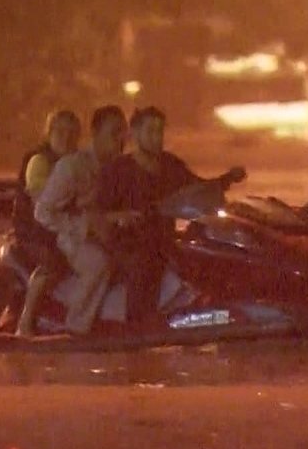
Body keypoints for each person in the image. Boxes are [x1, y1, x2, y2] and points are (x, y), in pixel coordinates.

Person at [95, 106, 245, 327]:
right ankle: (137, 325)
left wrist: (227, 180)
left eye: (160, 131)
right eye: (151, 131)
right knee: (143, 264)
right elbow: (98, 212)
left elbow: (198, 189)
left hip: (164, 239)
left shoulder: (170, 165)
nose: (157, 138)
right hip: (129, 244)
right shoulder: (118, 170)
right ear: (135, 134)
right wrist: (120, 216)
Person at [22, 105, 129, 336]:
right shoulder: (70, 166)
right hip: (68, 236)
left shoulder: (120, 167)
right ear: (96, 134)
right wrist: (83, 225)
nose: (121, 140)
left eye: (124, 134)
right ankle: (76, 328)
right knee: (97, 264)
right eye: (114, 133)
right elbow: (43, 211)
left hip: (106, 232)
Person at [11, 110, 81, 272]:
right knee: (54, 264)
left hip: (66, 230)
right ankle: (34, 297)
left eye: (72, 133)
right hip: (35, 233)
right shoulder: (38, 162)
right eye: (60, 132)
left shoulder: (78, 163)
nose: (66, 138)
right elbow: (44, 200)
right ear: (49, 134)